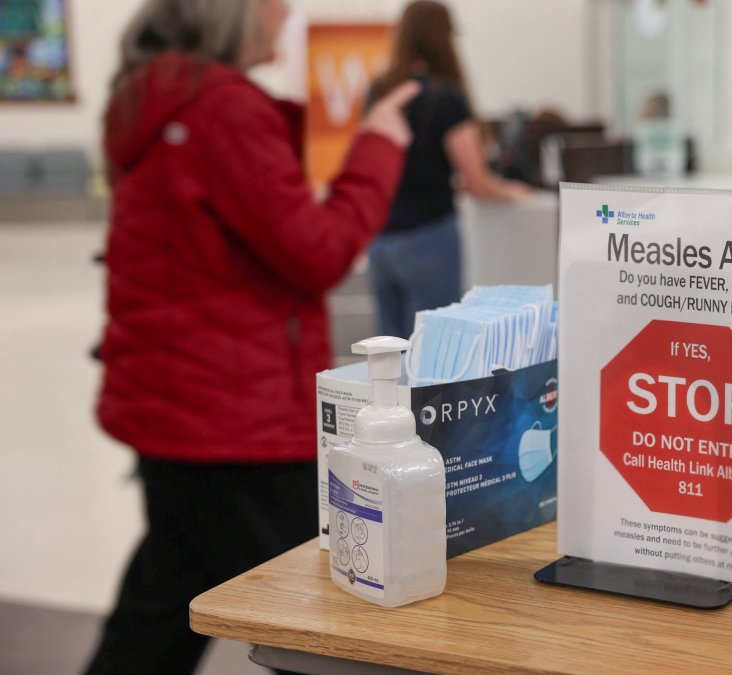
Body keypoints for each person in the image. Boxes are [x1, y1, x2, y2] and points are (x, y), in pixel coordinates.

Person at [83, 1, 419, 673]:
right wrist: (378, 148)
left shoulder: (161, 99)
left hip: (179, 398)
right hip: (229, 414)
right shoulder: (222, 110)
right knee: (317, 617)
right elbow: (317, 252)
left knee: (167, 596)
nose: (287, 11)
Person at [367, 0, 531, 340]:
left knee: (388, 359)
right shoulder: (446, 96)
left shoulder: (379, 91)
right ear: (445, 38)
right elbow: (476, 179)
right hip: (427, 239)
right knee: (435, 354)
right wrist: (510, 191)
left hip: (381, 240)